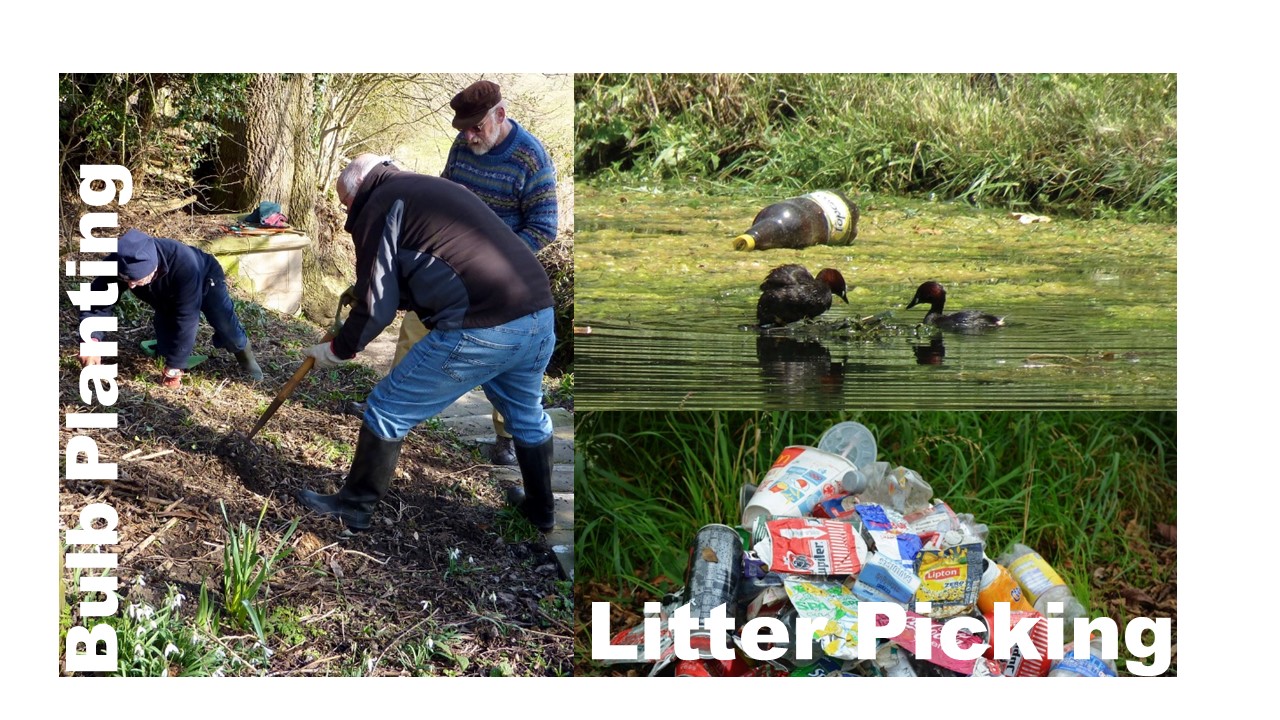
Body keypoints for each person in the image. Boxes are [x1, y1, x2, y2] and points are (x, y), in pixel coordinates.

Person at [297, 154, 557, 532]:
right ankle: (541, 511)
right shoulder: (428, 190)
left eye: (344, 205)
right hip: (538, 315)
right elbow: (425, 269)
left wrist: (339, 349)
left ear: (356, 194)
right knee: (526, 414)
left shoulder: (379, 203)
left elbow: (377, 308)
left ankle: (353, 507)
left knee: (386, 408)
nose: (345, 212)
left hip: (482, 324)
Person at [360, 79, 559, 466]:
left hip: (504, 283)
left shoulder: (531, 158)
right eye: (462, 129)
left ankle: (506, 439)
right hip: (447, 270)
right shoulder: (462, 147)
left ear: (500, 115)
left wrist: (496, 260)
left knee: (509, 369)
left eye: (476, 127)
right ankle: (398, 408)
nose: (469, 136)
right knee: (414, 329)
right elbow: (444, 195)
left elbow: (545, 226)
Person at [77, 228, 263, 386]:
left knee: (224, 323)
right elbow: (96, 301)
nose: (131, 286)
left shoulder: (184, 264)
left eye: (136, 280)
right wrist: (91, 340)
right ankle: (167, 346)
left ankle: (245, 355)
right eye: (127, 280)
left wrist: (176, 366)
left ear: (154, 268)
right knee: (165, 352)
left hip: (206, 276)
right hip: (165, 293)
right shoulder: (118, 261)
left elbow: (187, 317)